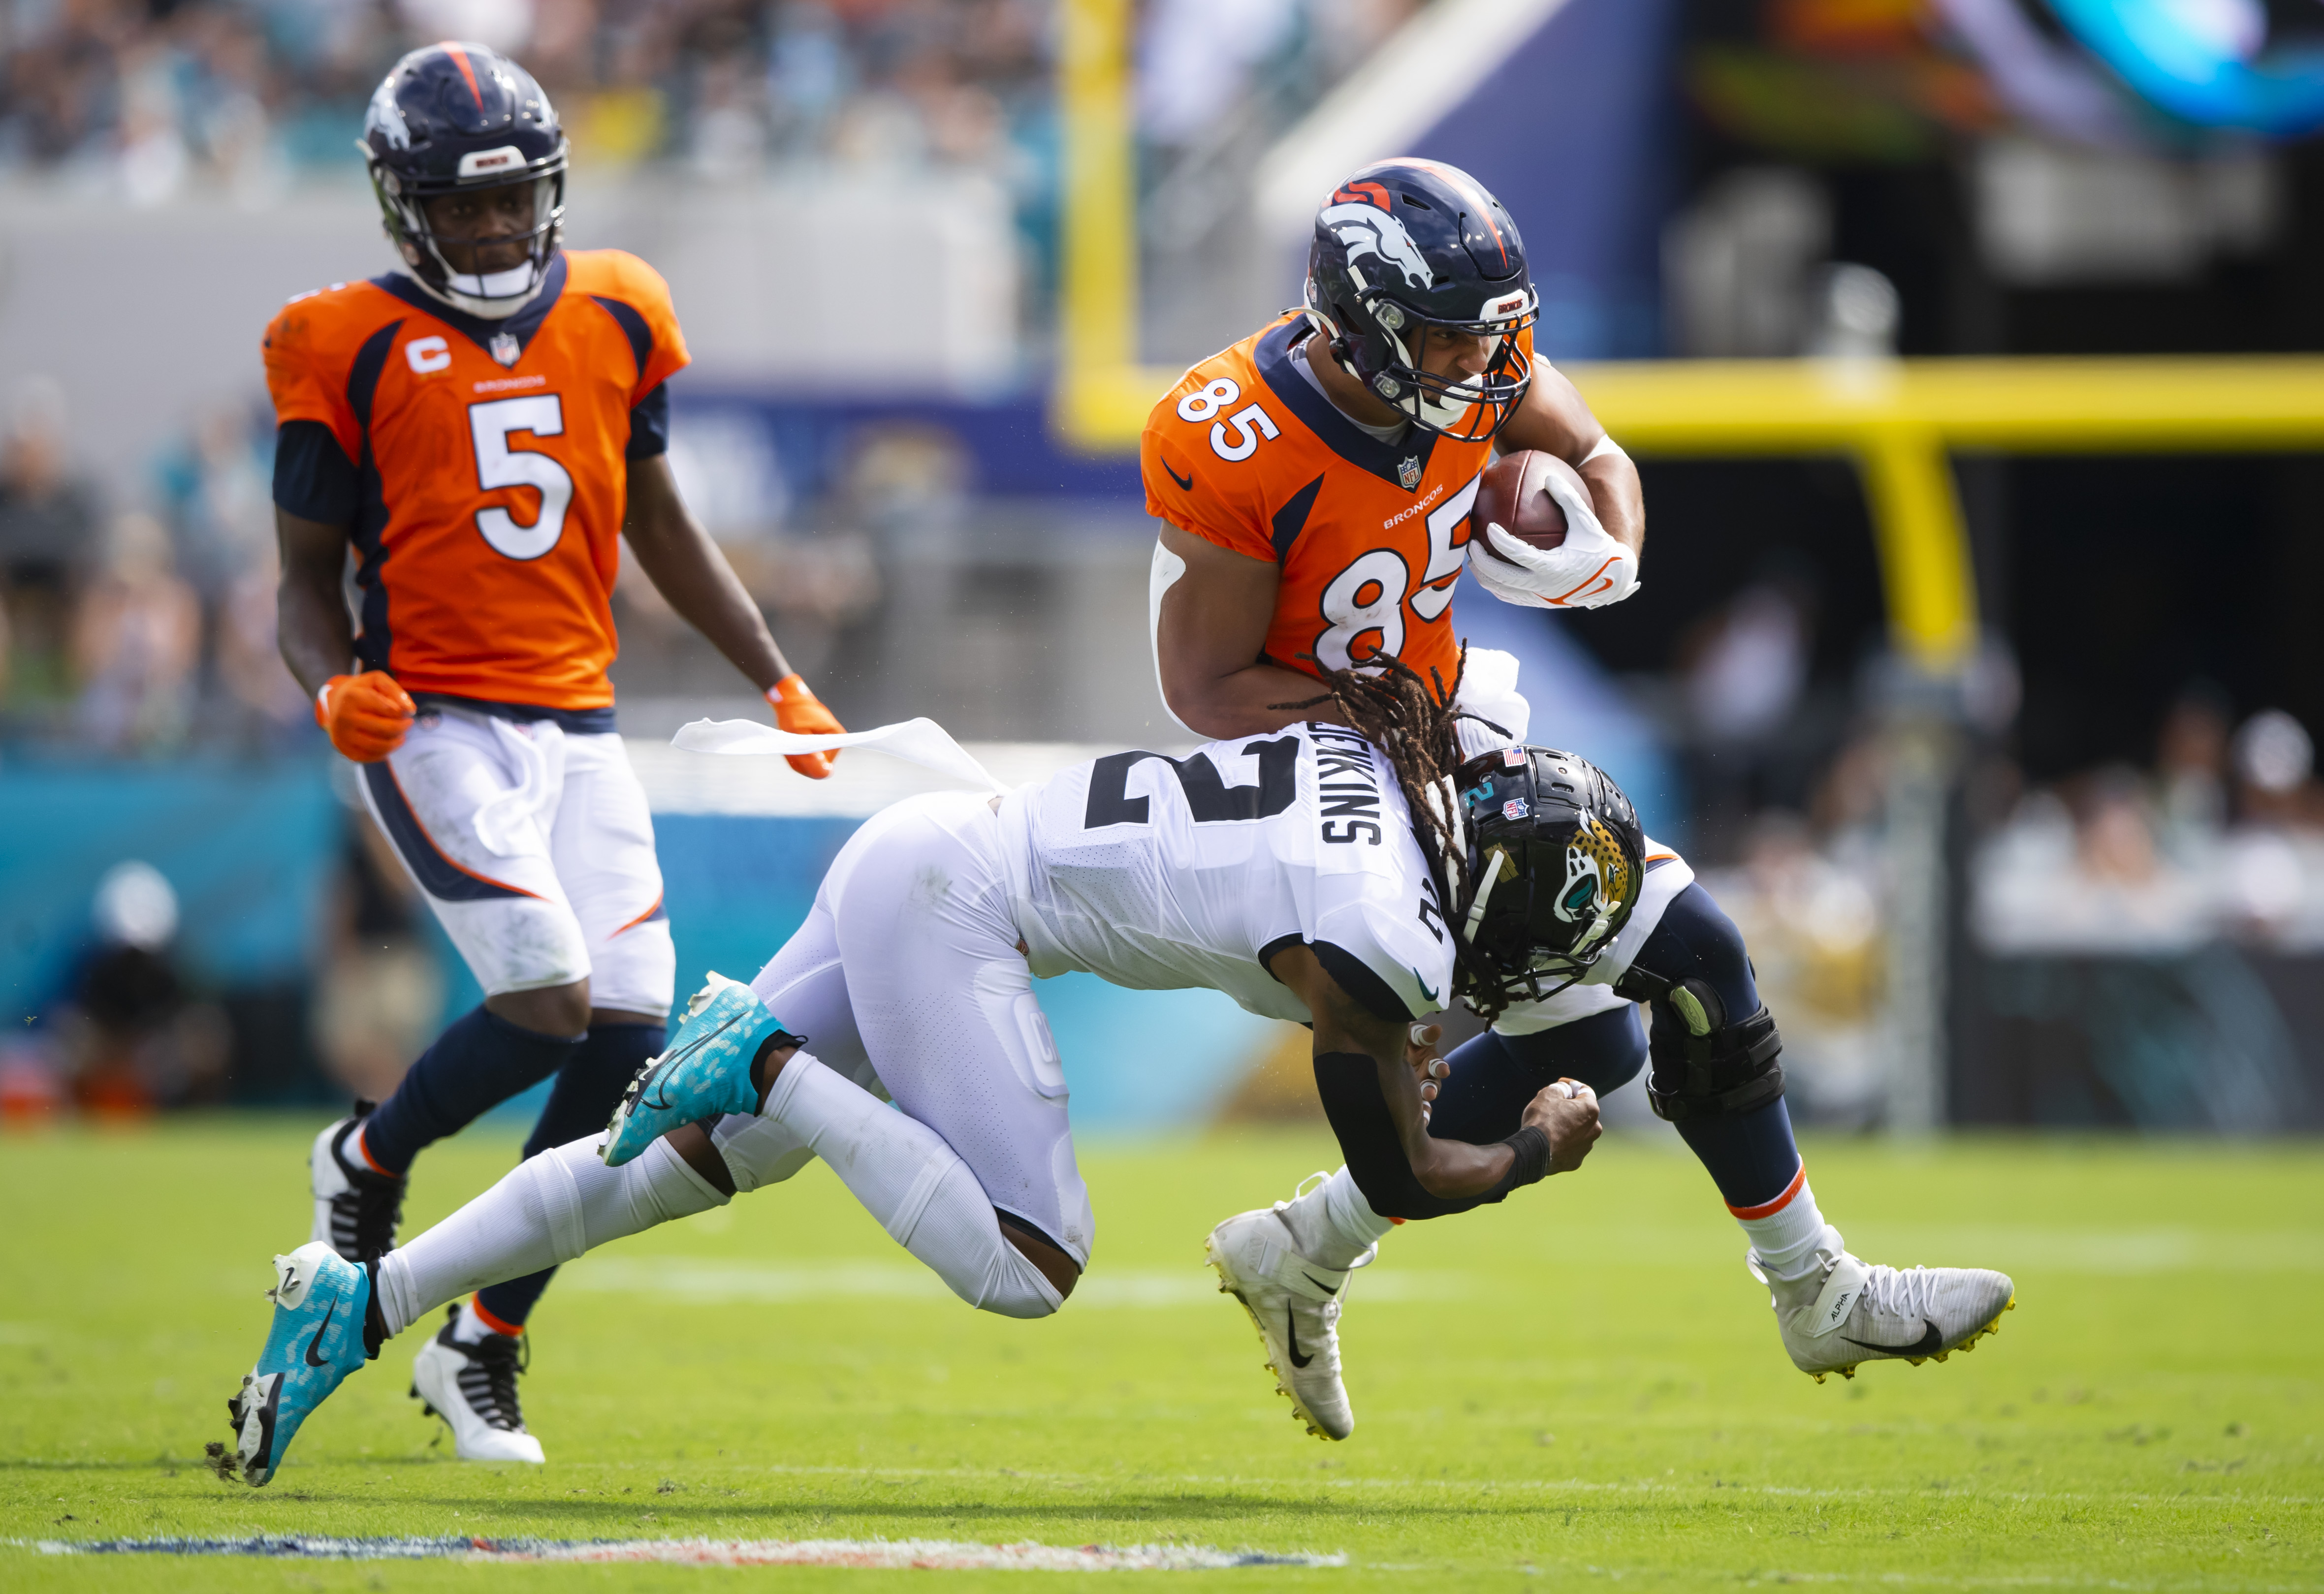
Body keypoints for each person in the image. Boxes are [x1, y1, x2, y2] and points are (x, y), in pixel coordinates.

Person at [221, 661, 2011, 1485]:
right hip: (960, 902)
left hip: (934, 847)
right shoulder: (1377, 943)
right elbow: (1398, 1174)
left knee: (679, 1162)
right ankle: (750, 1043)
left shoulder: (1425, 755)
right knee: (1027, 1262)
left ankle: (356, 1300)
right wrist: (1541, 1141)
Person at [1145, 160, 2010, 1433]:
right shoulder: (1233, 431)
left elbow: (1590, 446)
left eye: (1489, 334)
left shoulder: (1471, 355)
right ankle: (1813, 1291)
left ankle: (1307, 1248)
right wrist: (1391, 725)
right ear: (1359, 321)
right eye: (1447, 338)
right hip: (1311, 763)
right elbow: (1206, 686)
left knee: (1592, 1037)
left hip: (1433, 726)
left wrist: (1605, 551)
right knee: (1690, 947)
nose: (1480, 369)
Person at [263, 42, 846, 1466]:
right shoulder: (339, 337)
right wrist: (330, 689)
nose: (491, 230)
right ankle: (374, 1153)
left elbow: (660, 521)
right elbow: (300, 584)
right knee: (544, 996)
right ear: (404, 210)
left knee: (633, 1041)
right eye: (460, 210)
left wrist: (775, 674)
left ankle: (486, 1340)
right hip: (435, 717)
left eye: (511, 199)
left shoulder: (622, 306)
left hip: (577, 723)